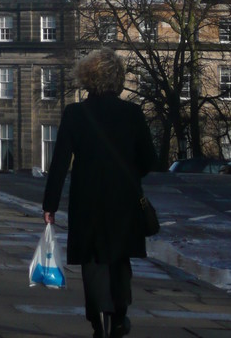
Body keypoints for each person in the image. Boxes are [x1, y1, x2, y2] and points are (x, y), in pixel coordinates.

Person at [42, 49, 157, 338]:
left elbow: (59, 163)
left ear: (87, 79)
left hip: (87, 199)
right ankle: (119, 315)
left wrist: (50, 205)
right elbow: (149, 159)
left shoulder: (75, 113)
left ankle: (97, 320)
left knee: (92, 261)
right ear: (117, 79)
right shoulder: (132, 113)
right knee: (120, 259)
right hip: (124, 200)